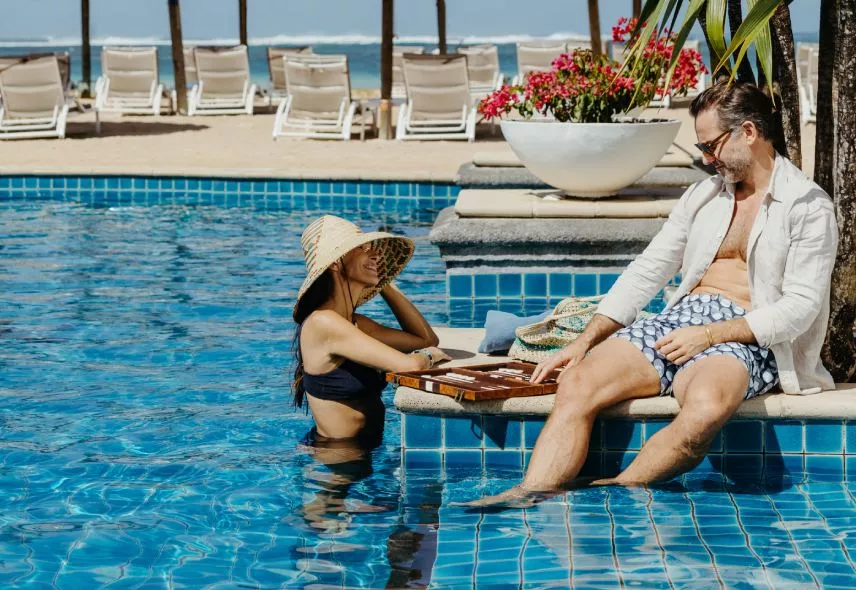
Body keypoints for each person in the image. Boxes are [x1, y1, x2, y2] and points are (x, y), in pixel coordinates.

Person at [469, 82, 839, 505]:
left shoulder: (807, 206)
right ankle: (529, 495)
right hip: (681, 321)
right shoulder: (703, 196)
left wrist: (710, 335)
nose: (706, 158)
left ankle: (616, 495)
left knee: (705, 411)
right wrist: (585, 340)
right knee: (578, 382)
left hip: (746, 336)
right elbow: (648, 270)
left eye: (711, 145)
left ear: (749, 133)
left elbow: (800, 309)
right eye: (701, 147)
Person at [293, 214, 449, 442]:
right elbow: (412, 365)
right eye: (361, 248)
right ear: (335, 262)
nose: (375, 254)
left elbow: (425, 338)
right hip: (337, 457)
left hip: (365, 450)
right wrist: (429, 356)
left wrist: (384, 282)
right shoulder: (323, 323)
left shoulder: (354, 323)